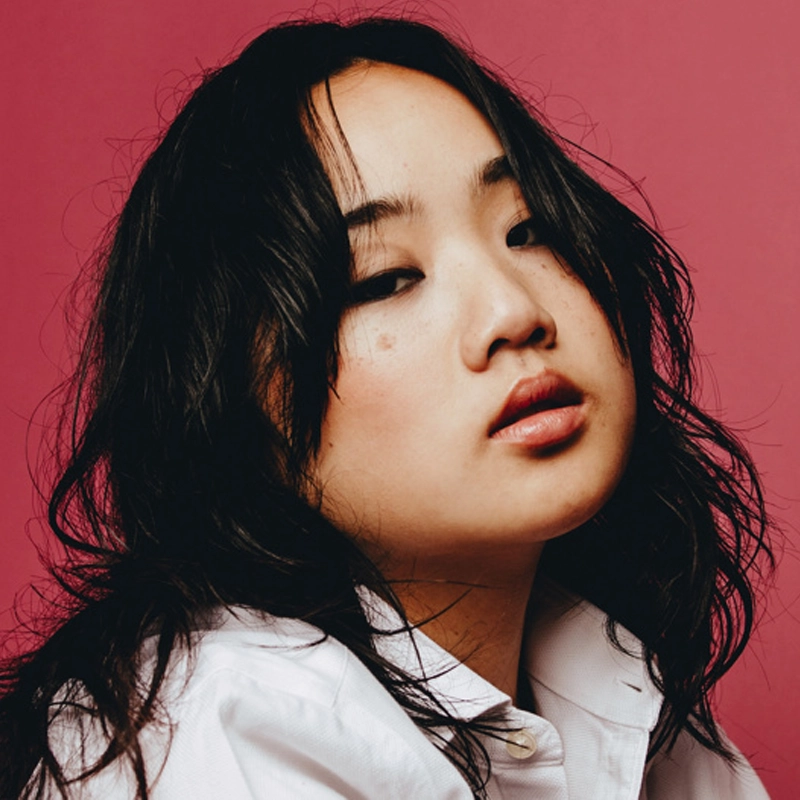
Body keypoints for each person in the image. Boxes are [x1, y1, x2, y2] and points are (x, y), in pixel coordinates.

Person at [0, 15, 774, 799]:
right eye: (385, 279)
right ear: (231, 399)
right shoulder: (220, 735)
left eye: (528, 228)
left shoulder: (631, 710)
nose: (513, 312)